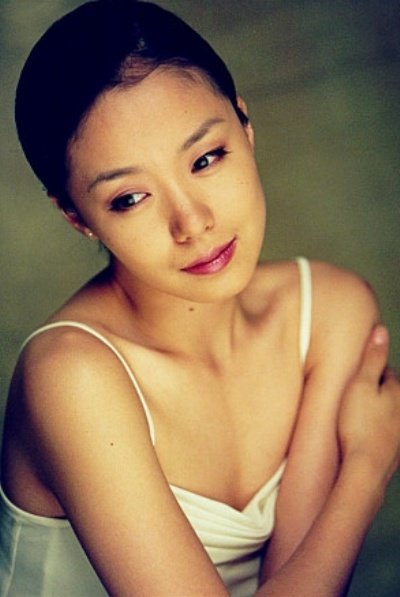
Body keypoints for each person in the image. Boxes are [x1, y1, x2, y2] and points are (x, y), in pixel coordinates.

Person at [0, 1, 399, 595]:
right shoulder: (71, 376)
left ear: (245, 124)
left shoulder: (330, 313)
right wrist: (366, 470)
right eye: (129, 198)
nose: (192, 223)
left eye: (206, 158)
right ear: (76, 216)